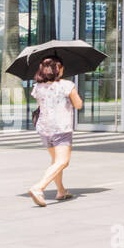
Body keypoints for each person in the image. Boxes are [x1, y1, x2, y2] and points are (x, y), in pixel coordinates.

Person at [28, 54, 84, 206]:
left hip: (44, 128)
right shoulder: (67, 85)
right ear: (59, 69)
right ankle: (39, 187)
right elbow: (78, 105)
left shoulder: (37, 87)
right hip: (61, 128)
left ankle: (61, 191)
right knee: (63, 161)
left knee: (55, 161)